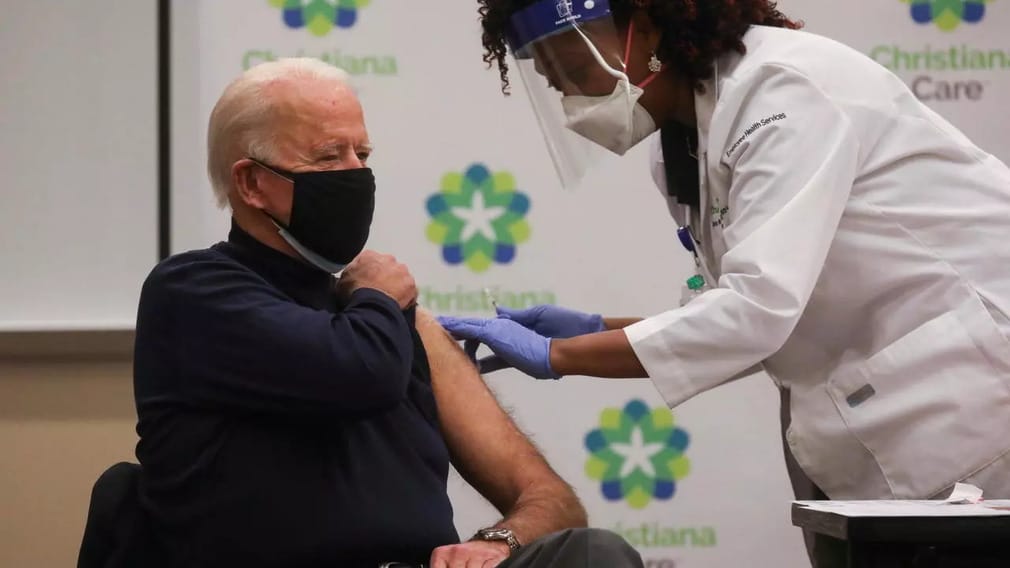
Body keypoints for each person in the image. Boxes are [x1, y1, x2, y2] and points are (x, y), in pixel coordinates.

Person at [439, 0, 1010, 564]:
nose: (570, 101)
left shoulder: (781, 92)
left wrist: (561, 353)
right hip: (882, 430)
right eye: (554, 82)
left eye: (575, 71)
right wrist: (595, 328)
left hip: (969, 408)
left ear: (646, 30)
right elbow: (735, 309)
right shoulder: (686, 140)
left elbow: (757, 311)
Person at [132, 57, 644, 568]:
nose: (358, 175)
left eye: (364, 153)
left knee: (594, 555)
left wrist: (496, 543)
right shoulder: (194, 293)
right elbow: (361, 372)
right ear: (252, 184)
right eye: (330, 157)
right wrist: (378, 294)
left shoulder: (390, 318)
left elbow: (550, 501)